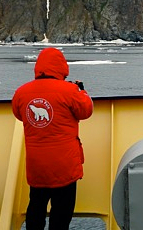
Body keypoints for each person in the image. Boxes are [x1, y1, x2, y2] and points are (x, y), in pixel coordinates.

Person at [12, 47, 94, 230]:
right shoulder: (70, 90)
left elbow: (19, 114)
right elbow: (86, 111)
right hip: (64, 167)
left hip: (37, 166)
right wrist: (82, 91)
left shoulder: (21, 93)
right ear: (61, 67)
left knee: (36, 206)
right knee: (62, 212)